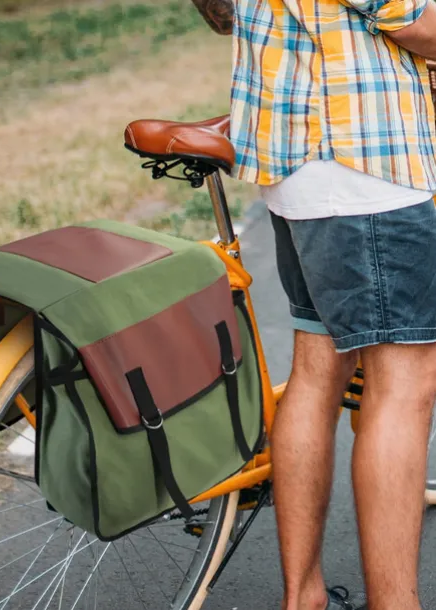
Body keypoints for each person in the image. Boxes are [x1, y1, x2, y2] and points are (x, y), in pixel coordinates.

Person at [190, 0, 436, 608]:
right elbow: (414, 21)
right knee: (403, 385)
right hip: (366, 163)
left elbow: (221, 13)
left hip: (299, 167)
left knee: (317, 370)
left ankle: (304, 596)